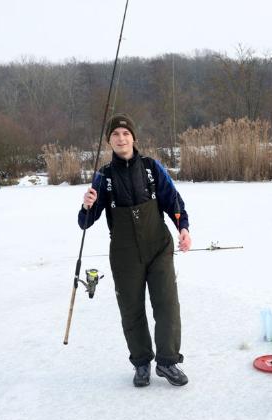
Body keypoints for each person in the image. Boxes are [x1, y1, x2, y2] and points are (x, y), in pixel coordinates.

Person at [78, 113, 191, 388]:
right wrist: (87, 205)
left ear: (133, 138)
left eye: (125, 133)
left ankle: (167, 361)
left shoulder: (152, 167)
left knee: (166, 304)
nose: (121, 138)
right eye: (115, 134)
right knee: (131, 309)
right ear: (109, 141)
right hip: (124, 253)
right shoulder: (102, 177)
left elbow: (173, 201)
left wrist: (183, 228)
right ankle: (141, 363)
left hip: (158, 247)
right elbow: (85, 222)